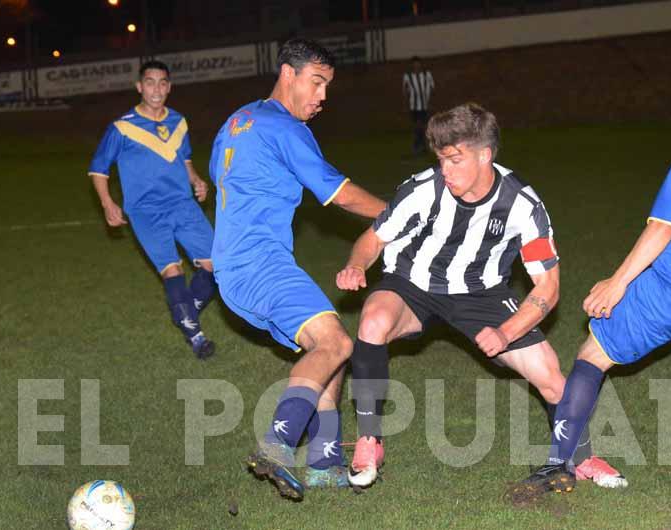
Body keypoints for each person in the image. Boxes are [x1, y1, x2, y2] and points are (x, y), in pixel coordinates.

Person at [336, 102, 626, 490]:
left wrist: (505, 333)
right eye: (441, 160)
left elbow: (548, 287)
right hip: (414, 284)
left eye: (455, 160)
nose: (445, 170)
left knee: (551, 377)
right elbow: (373, 238)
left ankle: (581, 455)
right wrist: (358, 265)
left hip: (481, 293)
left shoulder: (521, 205)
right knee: (372, 321)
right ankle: (370, 440)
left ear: (485, 155)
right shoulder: (423, 190)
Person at [519, 82, 671, 496]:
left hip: (669, 290)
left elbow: (663, 227)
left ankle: (557, 465)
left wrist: (618, 283)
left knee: (592, 355)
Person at [209, 39, 386, 500]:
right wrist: (400, 214)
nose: (322, 96)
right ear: (288, 73)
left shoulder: (236, 122)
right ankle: (277, 444)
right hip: (260, 264)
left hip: (233, 270)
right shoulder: (286, 128)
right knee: (336, 342)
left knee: (325, 344)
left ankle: (325, 461)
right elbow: (341, 194)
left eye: (327, 85)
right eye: (317, 82)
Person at [89, 60, 217, 360]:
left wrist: (196, 178)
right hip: (146, 211)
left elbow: (183, 158)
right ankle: (196, 337)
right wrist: (108, 203)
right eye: (150, 82)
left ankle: (184, 309)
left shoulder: (179, 122)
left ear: (169, 87)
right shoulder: (122, 127)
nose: (156, 88)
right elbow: (98, 169)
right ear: (139, 86)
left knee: (216, 266)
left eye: (162, 82)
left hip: (183, 204)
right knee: (172, 269)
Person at [402, 56, 435, 155]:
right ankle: (418, 146)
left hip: (425, 105)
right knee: (417, 126)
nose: (416, 66)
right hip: (414, 106)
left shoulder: (427, 74)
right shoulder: (407, 76)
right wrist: (406, 105)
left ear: (420, 65)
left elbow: (432, 87)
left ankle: (421, 146)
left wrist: (430, 102)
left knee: (423, 126)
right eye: (414, 65)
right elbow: (405, 90)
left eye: (418, 64)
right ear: (412, 66)